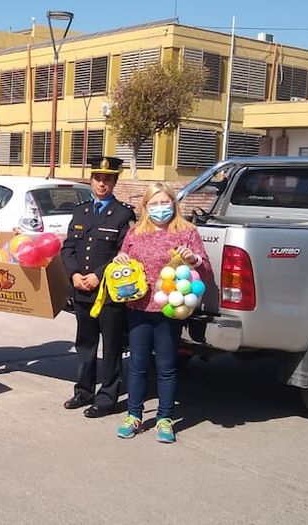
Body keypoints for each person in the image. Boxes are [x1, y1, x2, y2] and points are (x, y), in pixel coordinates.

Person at [112, 182, 211, 443]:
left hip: (169, 309)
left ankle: (165, 418)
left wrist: (193, 259)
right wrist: (119, 259)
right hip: (138, 307)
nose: (160, 208)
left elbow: (205, 267)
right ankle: (134, 415)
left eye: (165, 203)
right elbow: (122, 258)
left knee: (166, 367)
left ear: (174, 204)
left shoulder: (187, 232)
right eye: (154, 204)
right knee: (137, 365)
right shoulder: (135, 232)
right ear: (145, 207)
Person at [60, 156, 136, 418]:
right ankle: (83, 392)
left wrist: (98, 275)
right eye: (97, 178)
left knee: (112, 345)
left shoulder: (124, 213)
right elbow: (68, 247)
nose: (101, 184)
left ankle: (107, 398)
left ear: (115, 182)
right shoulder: (80, 210)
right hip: (82, 290)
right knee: (85, 344)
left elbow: (125, 252)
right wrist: (74, 275)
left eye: (107, 179)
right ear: (91, 180)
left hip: (108, 294)